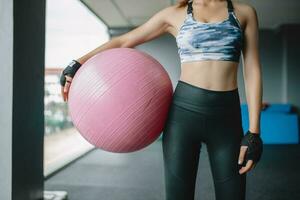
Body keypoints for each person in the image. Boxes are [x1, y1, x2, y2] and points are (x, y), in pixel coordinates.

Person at [60, 0, 263, 199]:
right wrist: (77, 62)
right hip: (183, 117)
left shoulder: (244, 13)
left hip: (226, 119)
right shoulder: (175, 13)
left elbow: (252, 71)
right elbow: (124, 41)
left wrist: (254, 133)